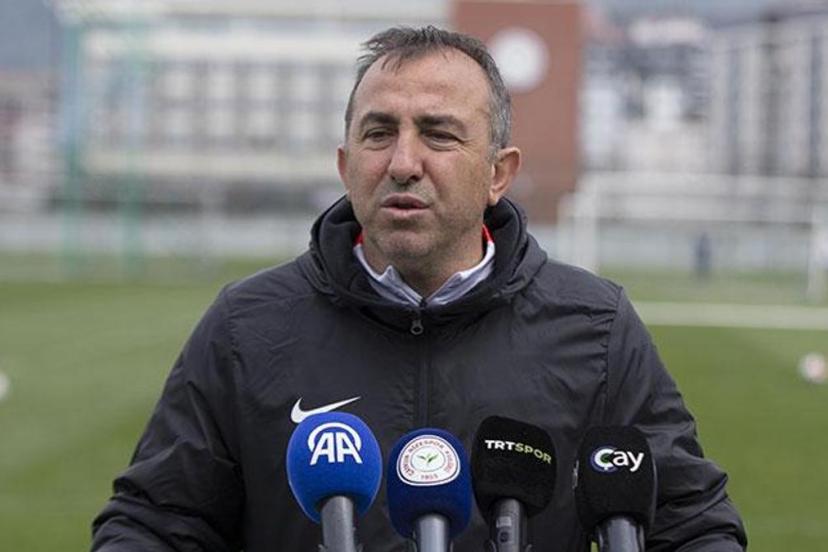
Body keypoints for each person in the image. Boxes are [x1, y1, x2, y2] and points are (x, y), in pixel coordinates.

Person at [91, 26, 747, 551]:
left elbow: (691, 525)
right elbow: (154, 524)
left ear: (498, 173)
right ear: (346, 165)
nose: (403, 163)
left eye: (438, 134)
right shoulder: (247, 326)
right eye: (379, 133)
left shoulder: (597, 328)